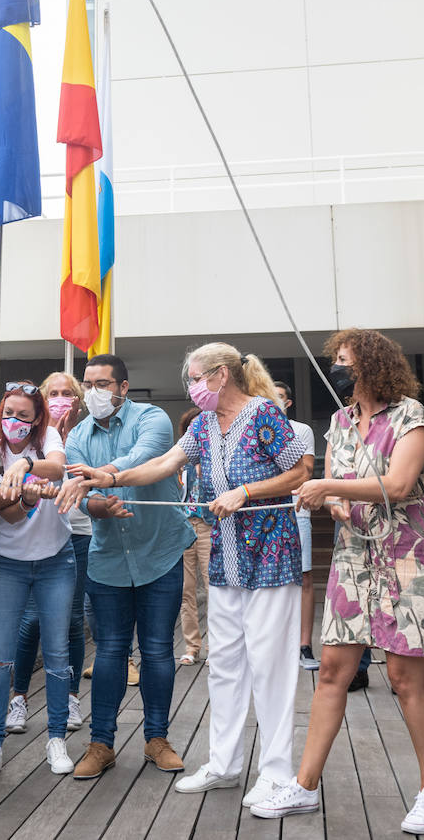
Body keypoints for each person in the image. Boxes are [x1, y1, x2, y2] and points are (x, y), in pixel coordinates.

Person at [73, 345, 307, 810]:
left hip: (271, 553)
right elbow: (163, 465)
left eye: (197, 378)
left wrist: (245, 491)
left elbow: (301, 470)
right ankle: (224, 763)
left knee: (270, 666)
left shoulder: (264, 413)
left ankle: (276, 773)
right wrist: (109, 479)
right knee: (225, 664)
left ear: (222, 375)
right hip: (225, 556)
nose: (192, 388)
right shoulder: (201, 425)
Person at [252, 329, 424, 836]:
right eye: (336, 361)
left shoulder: (410, 415)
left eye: (346, 360)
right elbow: (340, 488)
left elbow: (400, 484)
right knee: (331, 671)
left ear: (373, 364)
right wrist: (334, 501)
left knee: (405, 678)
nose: (338, 369)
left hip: (408, 553)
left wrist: (326, 485)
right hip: (354, 553)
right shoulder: (341, 421)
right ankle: (304, 785)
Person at [57, 353, 194, 782]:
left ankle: (158, 740)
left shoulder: (152, 418)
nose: (93, 392)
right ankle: (101, 744)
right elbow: (83, 499)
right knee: (110, 652)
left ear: (122, 388)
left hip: (160, 552)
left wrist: (102, 476)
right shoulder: (78, 436)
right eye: (88, 384)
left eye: (102, 384)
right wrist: (98, 505)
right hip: (109, 558)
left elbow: (145, 457)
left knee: (157, 650)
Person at [0, 382, 76, 784]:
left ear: (37, 419)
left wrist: (26, 466)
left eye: (24, 415)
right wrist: (26, 499)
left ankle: (57, 739)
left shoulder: (48, 441)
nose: (14, 421)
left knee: (58, 654)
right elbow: (9, 517)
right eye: (8, 413)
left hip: (56, 561)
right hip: (9, 565)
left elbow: (58, 468)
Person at [6, 372, 92, 733]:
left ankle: (70, 697)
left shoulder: (87, 434)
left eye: (67, 393)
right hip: (37, 535)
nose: (60, 399)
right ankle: (19, 698)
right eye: (53, 393)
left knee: (72, 620)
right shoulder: (35, 435)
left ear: (78, 400)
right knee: (30, 621)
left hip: (79, 533)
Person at [273, 382, 318, 669]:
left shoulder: (300, 430)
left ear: (288, 403)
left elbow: (306, 472)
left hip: (297, 510)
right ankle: (277, 646)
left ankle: (304, 645)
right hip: (263, 512)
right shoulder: (254, 428)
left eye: (278, 397)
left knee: (304, 577)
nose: (272, 400)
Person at [177, 406, 213, 666]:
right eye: (191, 427)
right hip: (184, 526)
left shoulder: (216, 458)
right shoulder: (180, 462)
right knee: (185, 590)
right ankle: (192, 646)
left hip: (209, 526)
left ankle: (215, 646)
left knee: (214, 589)